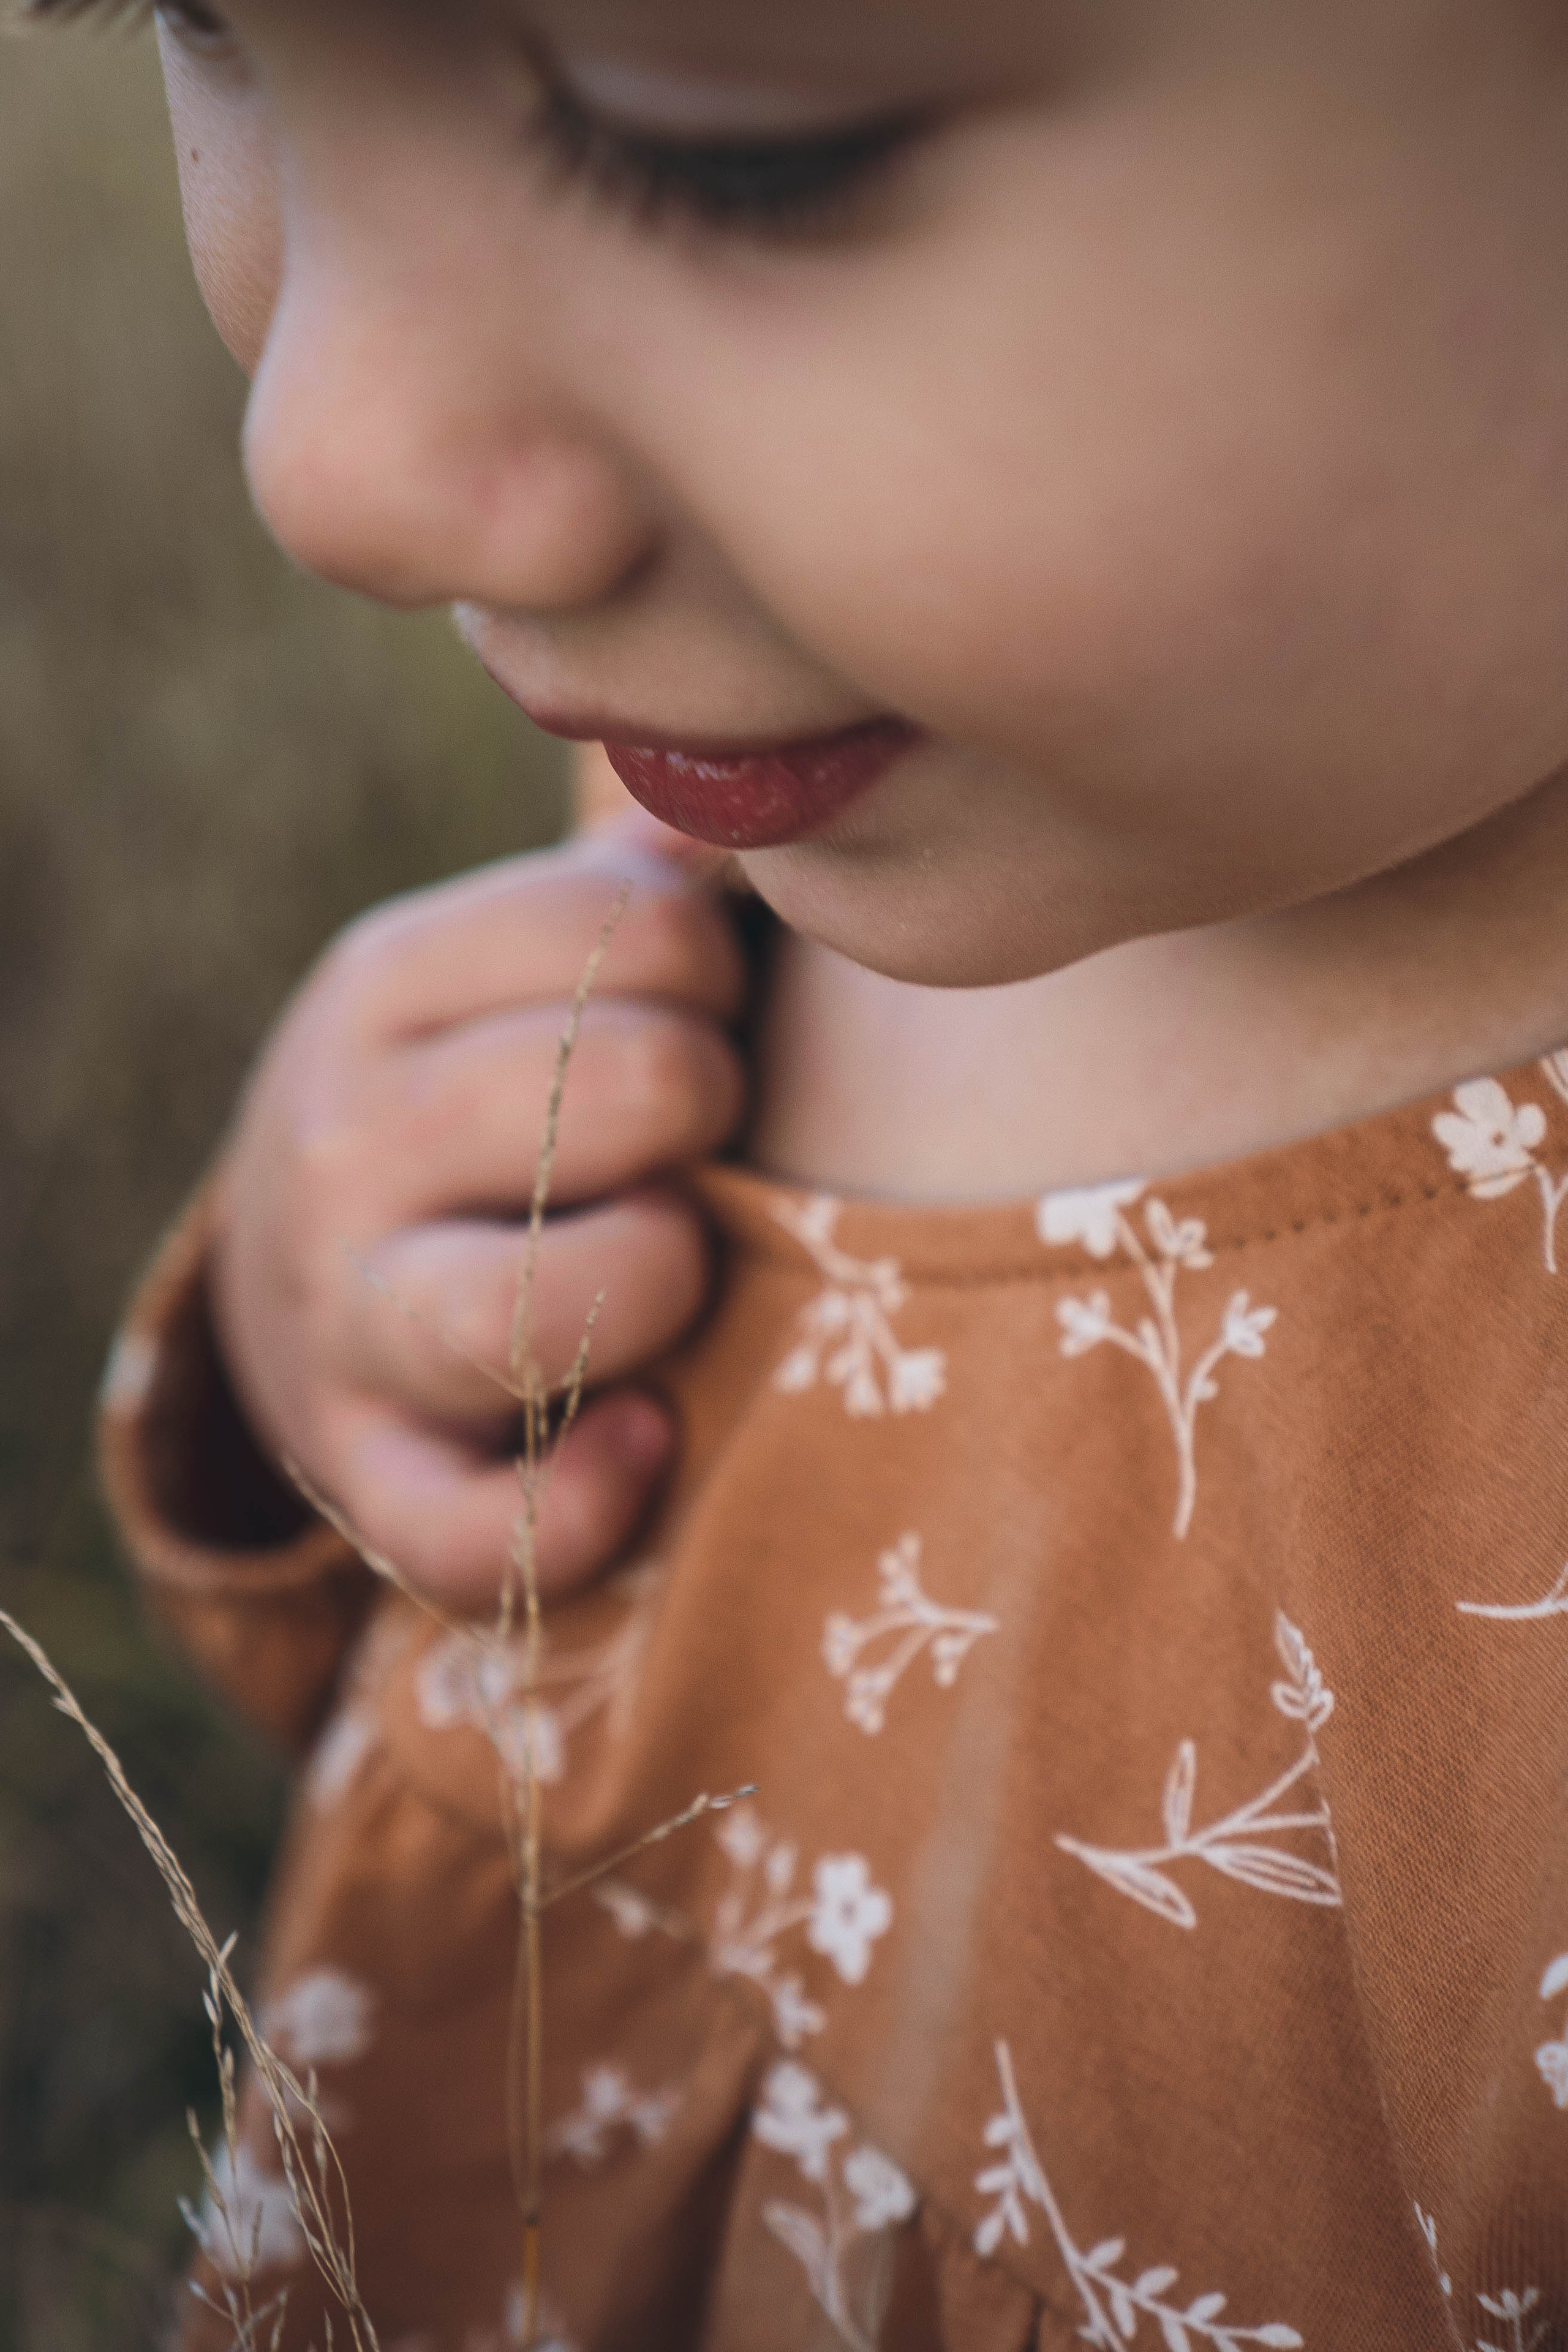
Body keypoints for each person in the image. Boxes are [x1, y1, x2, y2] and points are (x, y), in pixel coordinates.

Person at [70, 0, 1568, 2340]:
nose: (331, 460)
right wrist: (357, 1323)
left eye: (724, 152)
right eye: (201, 23)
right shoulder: (755, 787)